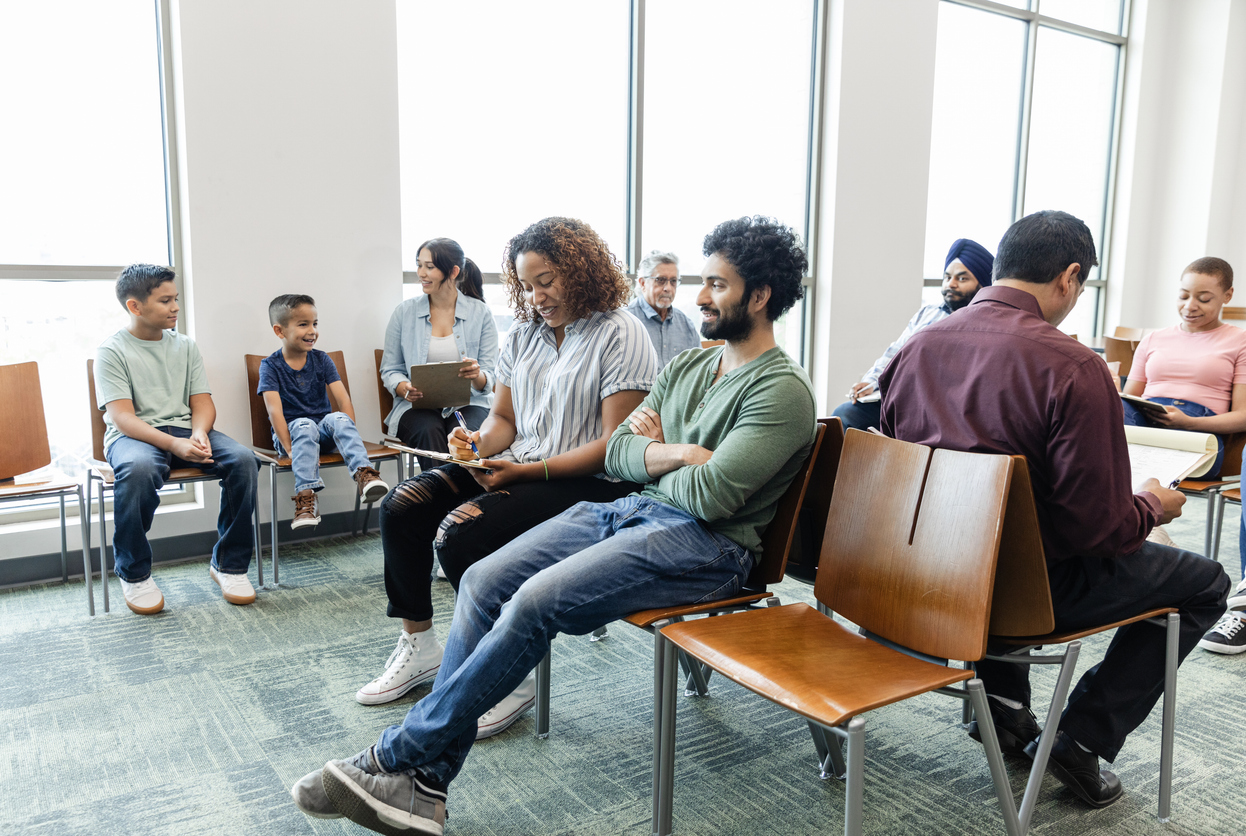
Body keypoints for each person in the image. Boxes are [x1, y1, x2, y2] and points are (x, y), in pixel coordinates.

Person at [290, 215, 817, 834]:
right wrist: (672, 453)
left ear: (758, 297)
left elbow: (712, 497)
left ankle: (396, 759)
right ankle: (426, 790)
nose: (700, 296)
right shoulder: (688, 370)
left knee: (533, 600)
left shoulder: (782, 392)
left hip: (708, 549)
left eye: (718, 286)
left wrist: (653, 461)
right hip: (632, 510)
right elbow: (620, 450)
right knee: (486, 580)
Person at [879, 210, 1229, 809]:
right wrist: (1152, 505)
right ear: (1070, 278)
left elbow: (899, 468)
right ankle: (1081, 739)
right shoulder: (1074, 366)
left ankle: (1008, 708)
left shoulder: (917, 346)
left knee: (1017, 523)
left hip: (922, 579)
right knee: (1204, 583)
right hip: (1024, 596)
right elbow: (1097, 529)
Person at [356, 217, 657, 741]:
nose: (537, 296)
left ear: (581, 271)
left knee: (462, 534)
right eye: (527, 285)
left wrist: (524, 470)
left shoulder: (620, 331)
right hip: (522, 461)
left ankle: (510, 670)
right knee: (402, 507)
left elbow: (616, 445)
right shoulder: (524, 336)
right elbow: (503, 422)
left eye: (547, 281)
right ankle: (422, 648)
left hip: (592, 480)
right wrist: (474, 446)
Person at [93, 264, 260, 614]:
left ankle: (228, 565)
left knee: (244, 461)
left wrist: (199, 433)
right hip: (133, 436)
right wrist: (172, 445)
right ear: (135, 306)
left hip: (185, 429)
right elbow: (123, 417)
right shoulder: (111, 351)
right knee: (139, 470)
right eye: (165, 300)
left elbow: (202, 402)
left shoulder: (184, 346)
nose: (175, 307)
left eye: (176, 299)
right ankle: (134, 572)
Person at [1119, 257, 1246, 653]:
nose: (1191, 305)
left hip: (1199, 432)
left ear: (1227, 295)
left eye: (1205, 298)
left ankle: (1147, 534)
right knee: (1110, 407)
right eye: (1184, 295)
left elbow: (1243, 415)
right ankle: (1129, 540)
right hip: (1147, 419)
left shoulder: (1238, 341)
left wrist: (1186, 423)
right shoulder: (1155, 338)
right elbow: (1129, 395)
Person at [257, 294, 390, 529]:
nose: (312, 330)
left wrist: (346, 430)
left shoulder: (322, 359)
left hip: (322, 435)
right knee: (304, 424)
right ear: (280, 331)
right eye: (303, 324)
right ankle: (307, 498)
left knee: (338, 417)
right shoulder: (270, 366)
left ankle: (364, 474)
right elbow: (274, 411)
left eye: (315, 323)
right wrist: (289, 449)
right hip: (290, 436)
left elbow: (343, 399)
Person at [831, 238, 992, 431]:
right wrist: (870, 382)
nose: (951, 284)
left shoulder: (985, 325)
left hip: (940, 410)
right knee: (844, 416)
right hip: (901, 400)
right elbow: (895, 352)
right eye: (947, 277)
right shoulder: (928, 313)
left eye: (962, 278)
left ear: (983, 285)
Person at [381, 238, 498, 473]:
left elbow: (490, 377)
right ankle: (444, 503)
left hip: (470, 403)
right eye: (419, 265)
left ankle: (446, 503)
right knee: (428, 430)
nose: (421, 273)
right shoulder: (404, 313)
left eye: (430, 267)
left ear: (453, 271)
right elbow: (390, 368)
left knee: (464, 436)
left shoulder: (481, 313)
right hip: (416, 408)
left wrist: (477, 375)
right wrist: (404, 387)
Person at [628, 249, 699, 370]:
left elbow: (700, 370)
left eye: (673, 281)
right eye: (660, 280)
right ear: (643, 283)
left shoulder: (686, 324)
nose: (668, 288)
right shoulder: (627, 321)